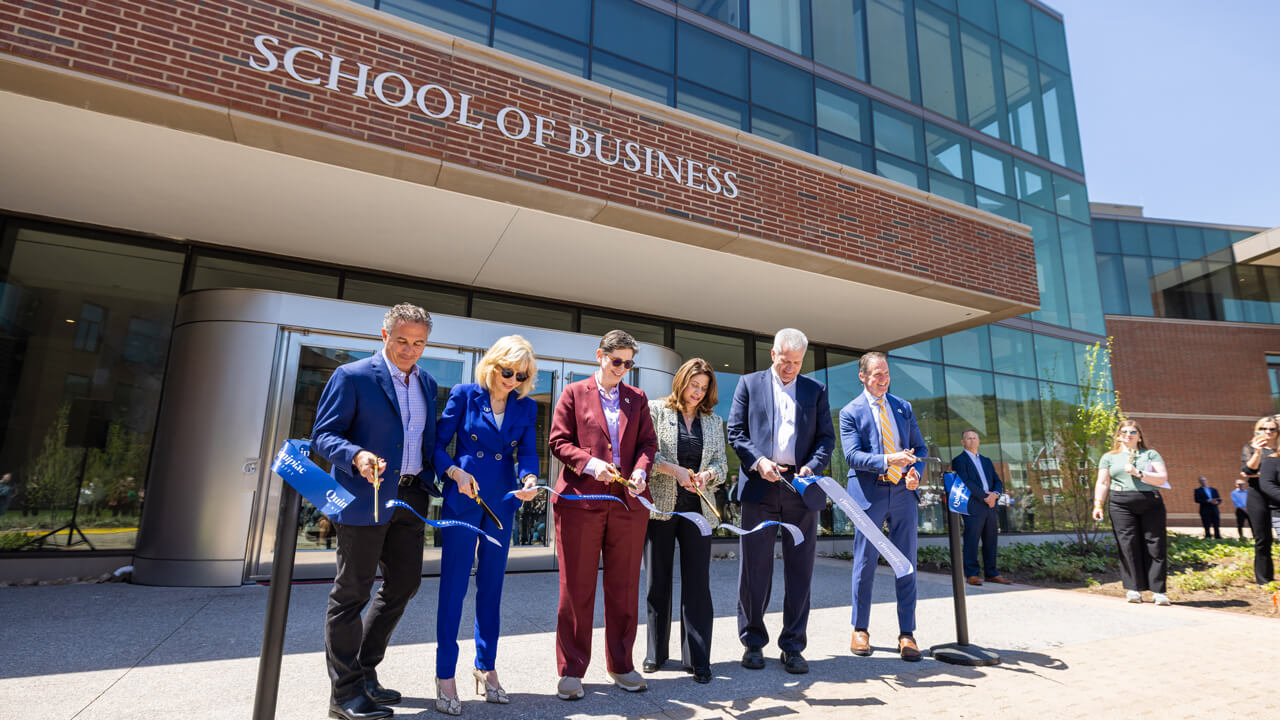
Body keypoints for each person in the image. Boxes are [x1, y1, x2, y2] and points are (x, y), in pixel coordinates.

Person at [311, 303, 440, 720]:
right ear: (384, 336)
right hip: (364, 498)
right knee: (351, 594)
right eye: (402, 341)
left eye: (419, 343)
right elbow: (324, 435)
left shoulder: (429, 383)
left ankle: (365, 672)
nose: (410, 350)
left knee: (403, 585)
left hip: (410, 497)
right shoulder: (352, 376)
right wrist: (357, 455)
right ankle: (344, 695)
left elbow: (425, 442)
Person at [432, 336, 541, 715]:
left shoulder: (525, 408)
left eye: (521, 374)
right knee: (454, 587)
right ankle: (445, 674)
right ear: (493, 364)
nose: (512, 379)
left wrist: (528, 480)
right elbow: (436, 445)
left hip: (502, 501)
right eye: (507, 371)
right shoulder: (464, 394)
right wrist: (453, 470)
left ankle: (486, 666)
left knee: (491, 587)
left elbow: (527, 452)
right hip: (463, 498)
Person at [548, 330, 657, 700]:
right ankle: (571, 670)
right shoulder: (574, 393)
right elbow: (558, 442)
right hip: (580, 502)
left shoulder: (637, 398)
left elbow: (647, 444)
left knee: (624, 587)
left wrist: (641, 469)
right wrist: (590, 463)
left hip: (627, 505)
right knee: (576, 588)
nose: (623, 369)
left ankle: (622, 665)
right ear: (600, 356)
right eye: (617, 362)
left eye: (629, 364)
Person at [727, 328, 834, 675]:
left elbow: (825, 438)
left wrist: (812, 467)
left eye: (797, 363)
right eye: (785, 361)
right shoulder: (749, 384)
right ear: (773, 354)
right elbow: (736, 431)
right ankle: (753, 641)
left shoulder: (815, 390)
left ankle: (793, 645)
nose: (790, 368)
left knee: (800, 570)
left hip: (800, 490)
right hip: (760, 487)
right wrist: (759, 461)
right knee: (755, 569)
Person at [643, 358, 728, 685]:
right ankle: (656, 653)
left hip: (698, 511)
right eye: (694, 385)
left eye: (704, 388)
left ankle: (698, 657)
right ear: (682, 381)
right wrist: (673, 470)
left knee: (697, 585)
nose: (698, 392)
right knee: (657, 582)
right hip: (661, 509)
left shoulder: (712, 421)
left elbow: (720, 466)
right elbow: (647, 455)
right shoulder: (656, 410)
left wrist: (707, 475)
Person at [841, 351, 928, 661]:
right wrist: (889, 460)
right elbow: (853, 456)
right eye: (877, 375)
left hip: (904, 494)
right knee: (865, 563)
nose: (883, 380)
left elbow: (920, 447)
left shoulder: (903, 407)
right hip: (869, 494)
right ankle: (860, 629)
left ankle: (907, 634)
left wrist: (916, 471)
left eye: (886, 374)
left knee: (906, 564)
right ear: (863, 377)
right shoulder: (850, 412)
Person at [1092, 420, 1171, 606]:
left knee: (1155, 545)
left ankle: (1158, 591)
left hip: (1150, 501)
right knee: (1128, 545)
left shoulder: (1150, 454)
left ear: (1139, 436)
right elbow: (1102, 482)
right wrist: (1098, 504)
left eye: (1133, 432)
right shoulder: (1109, 457)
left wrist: (1139, 473)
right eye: (1124, 431)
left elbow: (1162, 478)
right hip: (1121, 503)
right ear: (1119, 436)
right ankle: (1133, 589)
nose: (1128, 434)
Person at [951, 429, 1010, 586]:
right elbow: (967, 482)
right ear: (963, 442)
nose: (972, 441)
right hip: (973, 505)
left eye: (974, 438)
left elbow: (997, 480)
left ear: (978, 441)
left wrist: (995, 495)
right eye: (968, 438)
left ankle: (992, 573)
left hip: (990, 505)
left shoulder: (986, 461)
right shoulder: (959, 460)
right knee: (971, 539)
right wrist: (985, 497)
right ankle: (972, 574)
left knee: (991, 539)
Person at [1240, 416, 1277, 583]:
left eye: (1272, 429)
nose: (1267, 432)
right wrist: (1258, 451)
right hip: (1257, 496)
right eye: (1263, 428)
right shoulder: (1250, 447)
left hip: (1277, 495)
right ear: (1257, 430)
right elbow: (1248, 470)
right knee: (1263, 539)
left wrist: (1261, 474)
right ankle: (1265, 579)